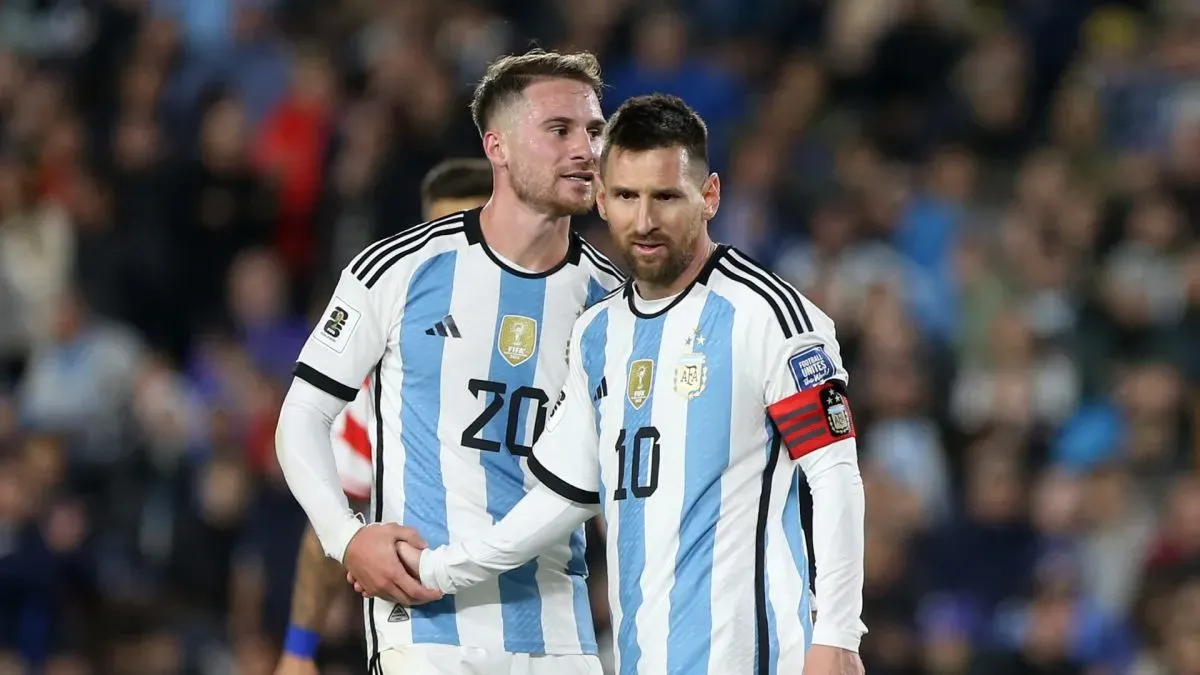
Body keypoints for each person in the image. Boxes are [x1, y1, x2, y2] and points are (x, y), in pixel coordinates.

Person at [385, 94, 869, 674]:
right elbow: (558, 501)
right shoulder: (597, 334)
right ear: (602, 200)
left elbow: (835, 475)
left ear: (709, 196)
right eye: (625, 197)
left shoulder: (769, 316)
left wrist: (838, 634)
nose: (643, 221)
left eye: (665, 197)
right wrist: (437, 569)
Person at [274, 49, 624, 675]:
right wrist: (346, 536)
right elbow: (302, 414)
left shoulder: (613, 304)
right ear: (499, 147)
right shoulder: (399, 270)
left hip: (559, 630)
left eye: (594, 131)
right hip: (426, 626)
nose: (586, 150)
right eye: (560, 130)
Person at [274, 157, 494, 675]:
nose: (456, 256)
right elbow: (332, 519)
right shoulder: (377, 393)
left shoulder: (570, 342)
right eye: (442, 235)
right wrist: (299, 651)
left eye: (473, 234)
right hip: (426, 638)